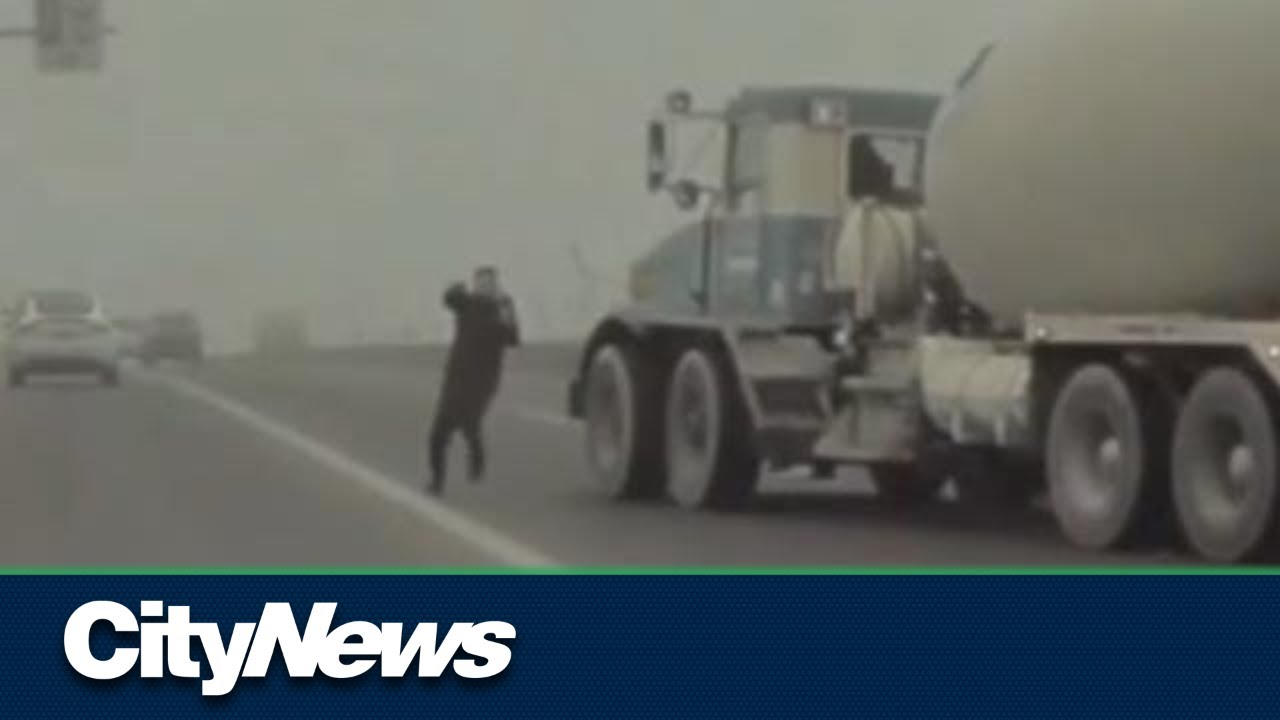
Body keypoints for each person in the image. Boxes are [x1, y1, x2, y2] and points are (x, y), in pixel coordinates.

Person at [427, 266, 520, 496]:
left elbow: (512, 338)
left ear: (495, 287)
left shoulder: (499, 310)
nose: (483, 287)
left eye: (488, 283)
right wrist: (457, 288)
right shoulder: (466, 304)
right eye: (480, 283)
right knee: (439, 435)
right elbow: (449, 298)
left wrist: (507, 307)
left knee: (469, 422)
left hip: (481, 383)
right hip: (457, 378)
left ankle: (476, 459)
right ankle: (437, 481)